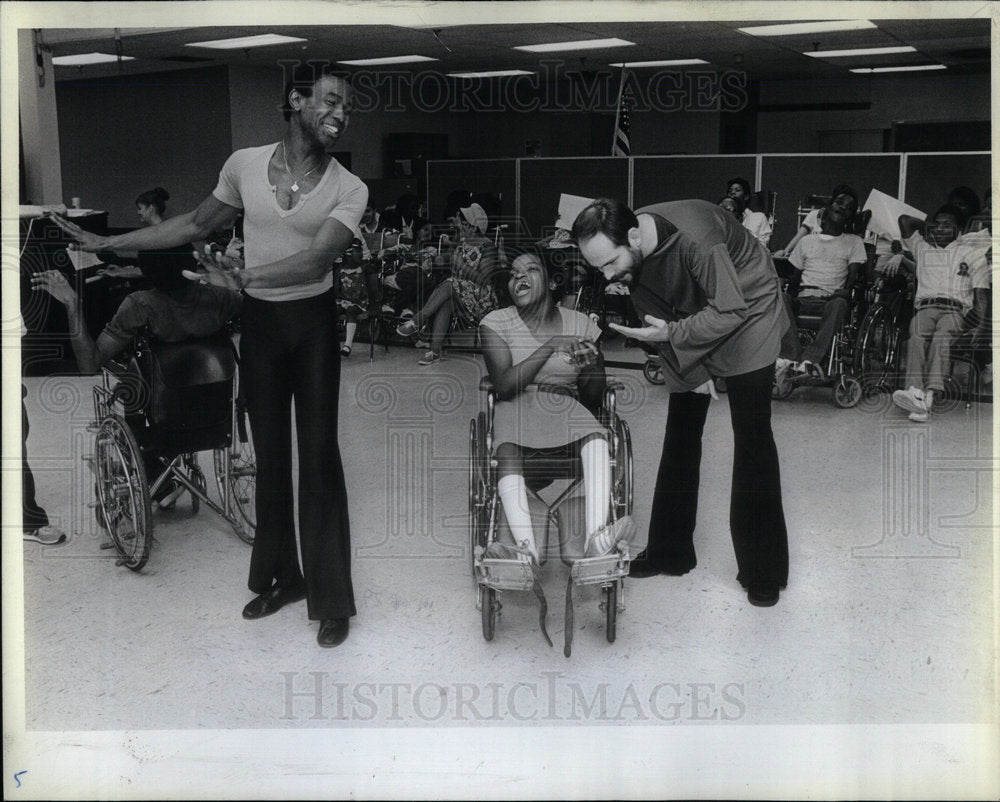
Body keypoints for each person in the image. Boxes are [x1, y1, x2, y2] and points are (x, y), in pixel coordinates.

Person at [49, 63, 367, 648]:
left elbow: (318, 260)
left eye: (346, 107)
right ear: (295, 101)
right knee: (270, 456)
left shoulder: (350, 187)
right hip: (264, 327)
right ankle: (283, 579)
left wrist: (245, 276)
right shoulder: (244, 164)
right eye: (328, 101)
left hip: (313, 325)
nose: (339, 114)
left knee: (318, 457)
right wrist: (109, 240)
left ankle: (333, 598)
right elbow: (194, 223)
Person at [572, 197, 790, 607]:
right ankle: (669, 552)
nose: (606, 276)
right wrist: (689, 367)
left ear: (634, 235)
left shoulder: (698, 239)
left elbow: (730, 310)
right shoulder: (632, 247)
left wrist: (672, 333)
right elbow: (654, 310)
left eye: (610, 262)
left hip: (748, 308)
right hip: (692, 312)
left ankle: (764, 570)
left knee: (752, 436)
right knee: (682, 427)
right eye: (597, 266)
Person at [479, 247, 634, 563]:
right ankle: (525, 550)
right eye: (513, 274)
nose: (519, 277)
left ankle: (596, 540)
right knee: (506, 449)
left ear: (552, 282)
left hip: (566, 405)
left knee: (596, 438)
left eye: (530, 270)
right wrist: (550, 346)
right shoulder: (496, 322)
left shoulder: (580, 323)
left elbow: (591, 398)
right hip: (517, 406)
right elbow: (505, 387)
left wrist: (593, 365)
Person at [891, 206, 990, 422]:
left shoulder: (973, 255)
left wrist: (981, 327)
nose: (941, 228)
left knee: (942, 336)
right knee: (916, 335)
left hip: (955, 310)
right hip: (926, 308)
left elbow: (981, 295)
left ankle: (929, 395)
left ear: (960, 229)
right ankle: (915, 393)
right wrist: (927, 226)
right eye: (937, 224)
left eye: (947, 224)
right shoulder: (922, 248)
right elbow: (904, 220)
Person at [777, 187, 867, 380]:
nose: (843, 207)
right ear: (827, 209)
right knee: (779, 297)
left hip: (830, 300)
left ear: (851, 218)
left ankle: (811, 360)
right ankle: (791, 357)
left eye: (849, 207)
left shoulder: (854, 242)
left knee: (840, 303)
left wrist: (845, 291)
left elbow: (852, 278)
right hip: (803, 298)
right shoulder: (806, 241)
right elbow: (793, 279)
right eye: (839, 202)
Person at [395, 202, 502, 365]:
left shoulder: (488, 247)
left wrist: (461, 266)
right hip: (460, 295)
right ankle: (434, 351)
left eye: (464, 225)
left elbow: (484, 280)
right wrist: (436, 260)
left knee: (450, 284)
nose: (460, 227)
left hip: (482, 301)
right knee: (446, 303)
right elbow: (447, 258)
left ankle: (417, 321)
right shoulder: (462, 241)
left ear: (474, 228)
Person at [726, 177, 772, 247]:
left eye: (737, 190)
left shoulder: (758, 217)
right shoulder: (723, 217)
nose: (732, 193)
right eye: (730, 191)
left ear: (746, 196)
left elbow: (763, 246)